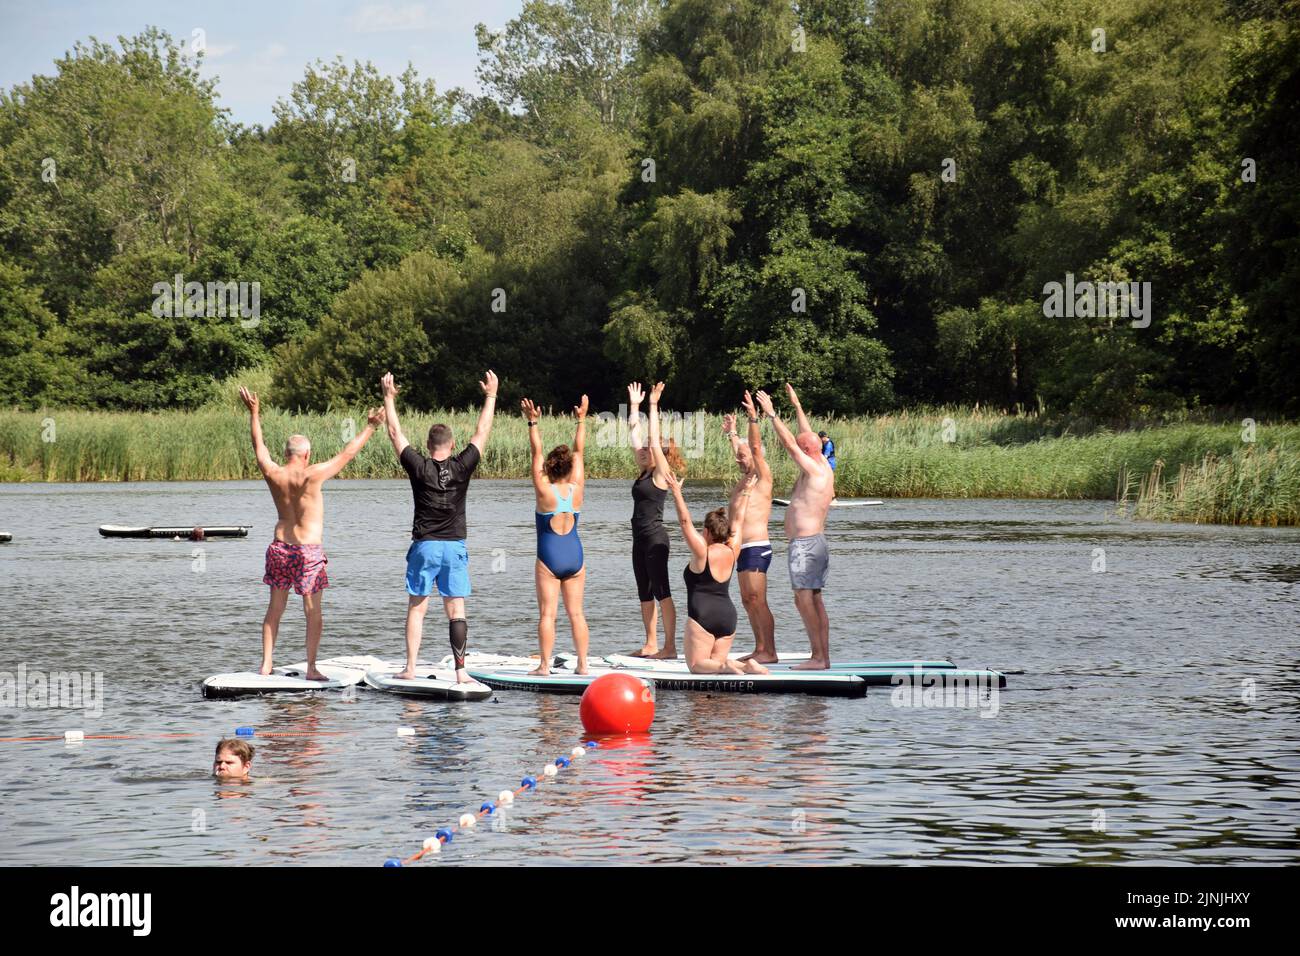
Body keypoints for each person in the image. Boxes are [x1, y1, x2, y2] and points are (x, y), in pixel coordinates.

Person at [239, 387, 383, 679]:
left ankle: (266, 665)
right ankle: (312, 668)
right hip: (308, 551)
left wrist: (254, 413)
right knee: (312, 610)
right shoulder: (313, 473)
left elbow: (258, 445)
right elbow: (348, 453)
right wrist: (370, 426)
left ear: (286, 454)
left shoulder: (273, 472)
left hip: (279, 547)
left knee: (275, 608)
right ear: (307, 454)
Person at [381, 370, 498, 684]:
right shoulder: (463, 466)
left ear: (427, 445)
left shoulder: (418, 467)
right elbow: (483, 429)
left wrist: (389, 398)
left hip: (425, 545)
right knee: (456, 610)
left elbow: (394, 432)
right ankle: (461, 673)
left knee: (417, 608)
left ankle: (410, 668)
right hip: (454, 546)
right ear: (453, 444)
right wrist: (491, 395)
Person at [652, 383, 768, 676]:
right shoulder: (733, 547)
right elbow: (738, 520)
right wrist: (744, 493)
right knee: (715, 665)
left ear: (706, 531)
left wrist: (677, 493)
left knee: (697, 666)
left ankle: (732, 664)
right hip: (728, 618)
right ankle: (745, 664)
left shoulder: (701, 550)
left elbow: (683, 522)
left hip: (702, 617)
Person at [754, 383, 835, 670]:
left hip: (805, 545)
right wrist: (797, 405)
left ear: (806, 450)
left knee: (803, 600)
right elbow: (805, 437)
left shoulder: (813, 468)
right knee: (814, 599)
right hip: (815, 543)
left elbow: (791, 443)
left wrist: (773, 414)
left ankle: (818, 657)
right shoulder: (822, 460)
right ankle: (822, 657)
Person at [521, 395, 590, 676]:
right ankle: (583, 665)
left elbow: (536, 453)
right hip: (575, 555)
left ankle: (544, 666)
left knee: (548, 614)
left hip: (549, 558)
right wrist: (581, 418)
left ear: (549, 468)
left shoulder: (544, 492)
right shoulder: (577, 488)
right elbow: (580, 451)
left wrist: (533, 421)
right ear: (570, 468)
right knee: (576, 614)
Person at [625, 381, 686, 659]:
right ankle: (651, 643)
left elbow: (650, 434)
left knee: (662, 591)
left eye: (650, 447)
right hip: (639, 539)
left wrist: (652, 404)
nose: (644, 448)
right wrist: (635, 406)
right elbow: (634, 432)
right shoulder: (643, 469)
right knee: (644, 593)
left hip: (655, 538)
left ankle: (670, 647)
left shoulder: (661, 472)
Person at [726, 392, 777, 664]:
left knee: (757, 598)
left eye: (743, 457)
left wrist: (753, 418)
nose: (738, 459)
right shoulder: (745, 477)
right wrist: (732, 434)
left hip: (757, 546)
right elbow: (742, 450)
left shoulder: (761, 476)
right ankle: (760, 648)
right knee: (747, 600)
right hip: (739, 548)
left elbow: (753, 449)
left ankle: (770, 650)